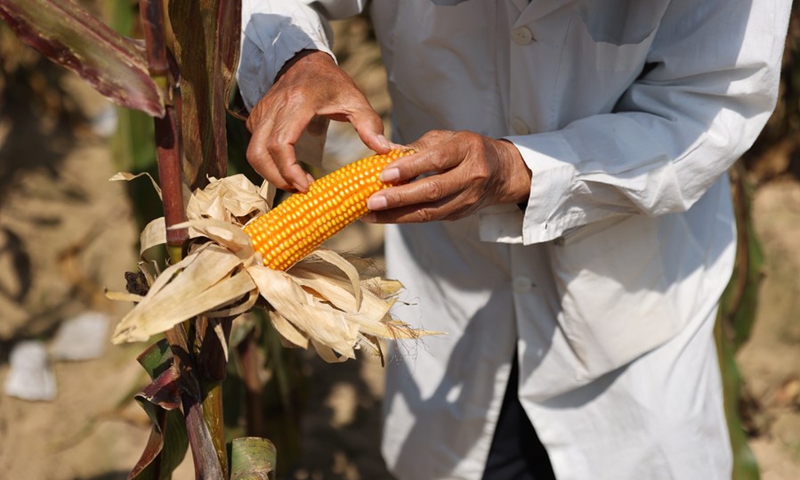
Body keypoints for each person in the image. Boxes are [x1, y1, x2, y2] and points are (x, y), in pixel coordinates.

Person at [237, 1, 792, 479]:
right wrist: (295, 60)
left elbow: (713, 101)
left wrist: (522, 170)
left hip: (632, 307)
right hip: (450, 284)